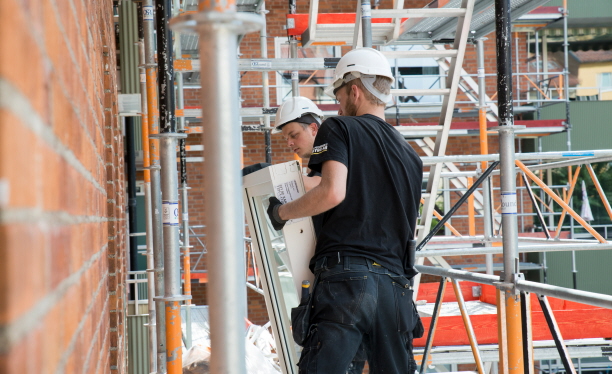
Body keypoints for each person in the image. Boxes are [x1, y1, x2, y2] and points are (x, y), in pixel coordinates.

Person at [267, 47, 424, 374]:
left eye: (339, 96)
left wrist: (281, 213)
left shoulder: (339, 128)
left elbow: (331, 191)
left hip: (347, 282)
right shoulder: (411, 156)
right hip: (396, 289)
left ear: (354, 90)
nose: (338, 105)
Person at [274, 96, 368, 374]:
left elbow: (322, 186)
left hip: (348, 276)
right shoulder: (322, 163)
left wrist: (277, 186)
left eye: (293, 134)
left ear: (314, 129)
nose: (289, 143)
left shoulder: (331, 159)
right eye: (286, 138)